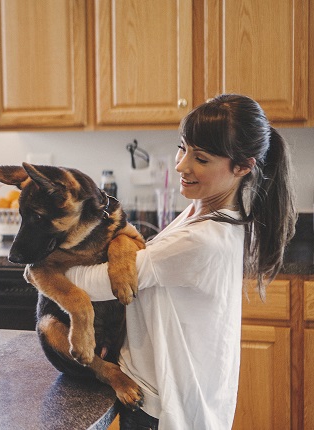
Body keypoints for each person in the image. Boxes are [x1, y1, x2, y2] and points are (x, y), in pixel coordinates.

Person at [65, 94, 296, 429]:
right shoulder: (212, 211)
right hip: (179, 394)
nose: (181, 165)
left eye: (200, 158)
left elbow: (97, 284)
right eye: (183, 147)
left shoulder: (200, 240)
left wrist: (44, 268)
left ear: (244, 166)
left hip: (161, 406)